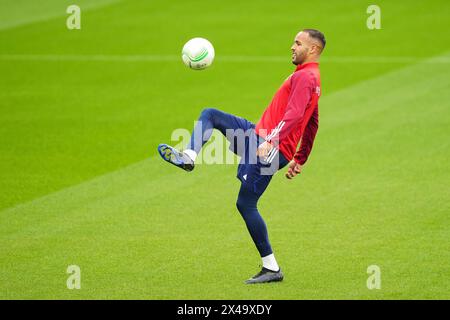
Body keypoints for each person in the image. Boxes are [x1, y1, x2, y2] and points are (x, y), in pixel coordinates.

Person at [158, 29, 325, 284]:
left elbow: (293, 116)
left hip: (269, 147)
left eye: (298, 43)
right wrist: (300, 158)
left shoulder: (305, 78)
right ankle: (189, 156)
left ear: (312, 49)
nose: (292, 46)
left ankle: (271, 268)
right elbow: (312, 121)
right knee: (210, 114)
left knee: (246, 204)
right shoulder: (311, 78)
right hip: (258, 136)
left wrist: (271, 142)